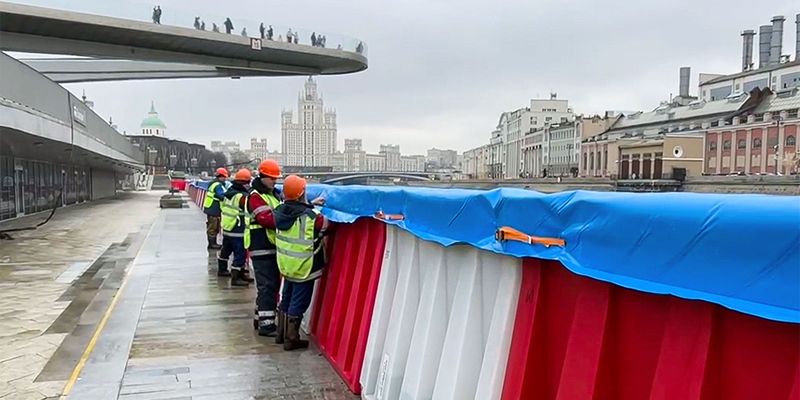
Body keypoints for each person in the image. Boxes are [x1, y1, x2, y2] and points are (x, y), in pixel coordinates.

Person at [274, 175, 328, 350]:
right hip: (305, 265)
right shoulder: (312, 217)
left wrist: (310, 205)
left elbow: (296, 212)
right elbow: (325, 226)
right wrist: (314, 208)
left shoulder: (278, 211)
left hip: (286, 263)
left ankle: (281, 334)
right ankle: (292, 338)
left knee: (286, 297)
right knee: (299, 301)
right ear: (302, 193)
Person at [245, 160, 283, 336]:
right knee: (267, 285)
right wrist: (287, 219)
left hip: (269, 246)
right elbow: (267, 219)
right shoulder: (255, 196)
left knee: (268, 285)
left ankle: (259, 317)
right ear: (263, 177)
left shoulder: (272, 194)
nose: (275, 181)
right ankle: (266, 325)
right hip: (261, 246)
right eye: (272, 178)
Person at [218, 169, 252, 286]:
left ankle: (222, 269)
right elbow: (249, 209)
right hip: (238, 229)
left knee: (225, 250)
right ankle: (236, 277)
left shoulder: (229, 192)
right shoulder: (241, 197)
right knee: (240, 253)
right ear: (245, 183)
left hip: (228, 227)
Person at [202, 168, 228, 249]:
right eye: (224, 177)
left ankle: (213, 243)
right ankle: (212, 244)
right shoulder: (218, 185)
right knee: (213, 226)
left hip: (211, 208)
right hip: (214, 208)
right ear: (220, 177)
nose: (225, 179)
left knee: (212, 226)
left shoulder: (213, 183)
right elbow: (222, 196)